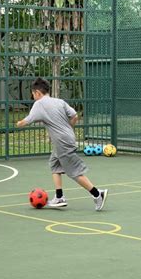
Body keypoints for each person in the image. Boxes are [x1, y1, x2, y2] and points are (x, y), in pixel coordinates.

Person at [16, 77, 107, 211]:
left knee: (74, 172)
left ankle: (98, 194)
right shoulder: (59, 101)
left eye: (33, 93)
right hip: (66, 139)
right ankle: (59, 197)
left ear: (37, 93)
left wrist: (18, 124)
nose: (32, 96)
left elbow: (27, 120)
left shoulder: (39, 104)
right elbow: (75, 116)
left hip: (62, 142)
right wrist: (68, 129)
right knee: (54, 163)